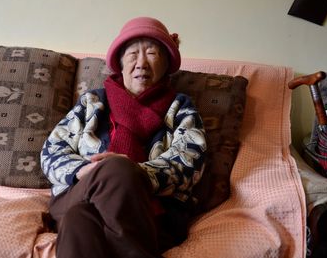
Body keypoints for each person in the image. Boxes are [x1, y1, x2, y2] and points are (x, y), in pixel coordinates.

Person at [40, 16, 207, 258]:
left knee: (79, 220)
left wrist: (132, 173)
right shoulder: (93, 102)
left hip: (152, 213)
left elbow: (190, 161)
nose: (141, 63)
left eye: (151, 54)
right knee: (112, 170)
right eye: (132, 54)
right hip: (80, 191)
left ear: (166, 63)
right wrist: (84, 171)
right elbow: (52, 151)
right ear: (120, 62)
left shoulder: (180, 107)